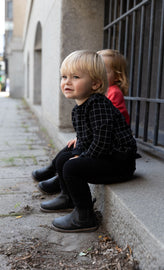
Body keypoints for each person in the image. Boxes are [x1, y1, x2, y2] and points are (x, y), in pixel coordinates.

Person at [36, 50, 138, 233]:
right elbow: (85, 138)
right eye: (64, 76)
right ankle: (68, 197)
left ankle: (84, 216)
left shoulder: (98, 104)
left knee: (71, 167)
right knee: (64, 158)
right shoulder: (79, 108)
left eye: (75, 77)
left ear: (95, 83)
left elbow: (103, 139)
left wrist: (84, 157)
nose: (67, 82)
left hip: (119, 162)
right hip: (106, 155)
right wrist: (78, 152)